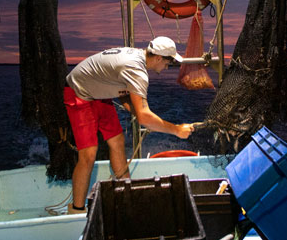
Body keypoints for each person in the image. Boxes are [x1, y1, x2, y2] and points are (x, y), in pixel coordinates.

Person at [63, 36, 195, 213]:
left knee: (117, 141)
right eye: (168, 62)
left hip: (98, 93)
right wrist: (177, 130)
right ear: (158, 58)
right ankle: (76, 210)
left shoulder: (137, 56)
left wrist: (142, 115)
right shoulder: (137, 70)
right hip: (78, 92)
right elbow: (144, 117)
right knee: (88, 154)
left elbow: (123, 91)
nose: (167, 67)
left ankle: (126, 196)